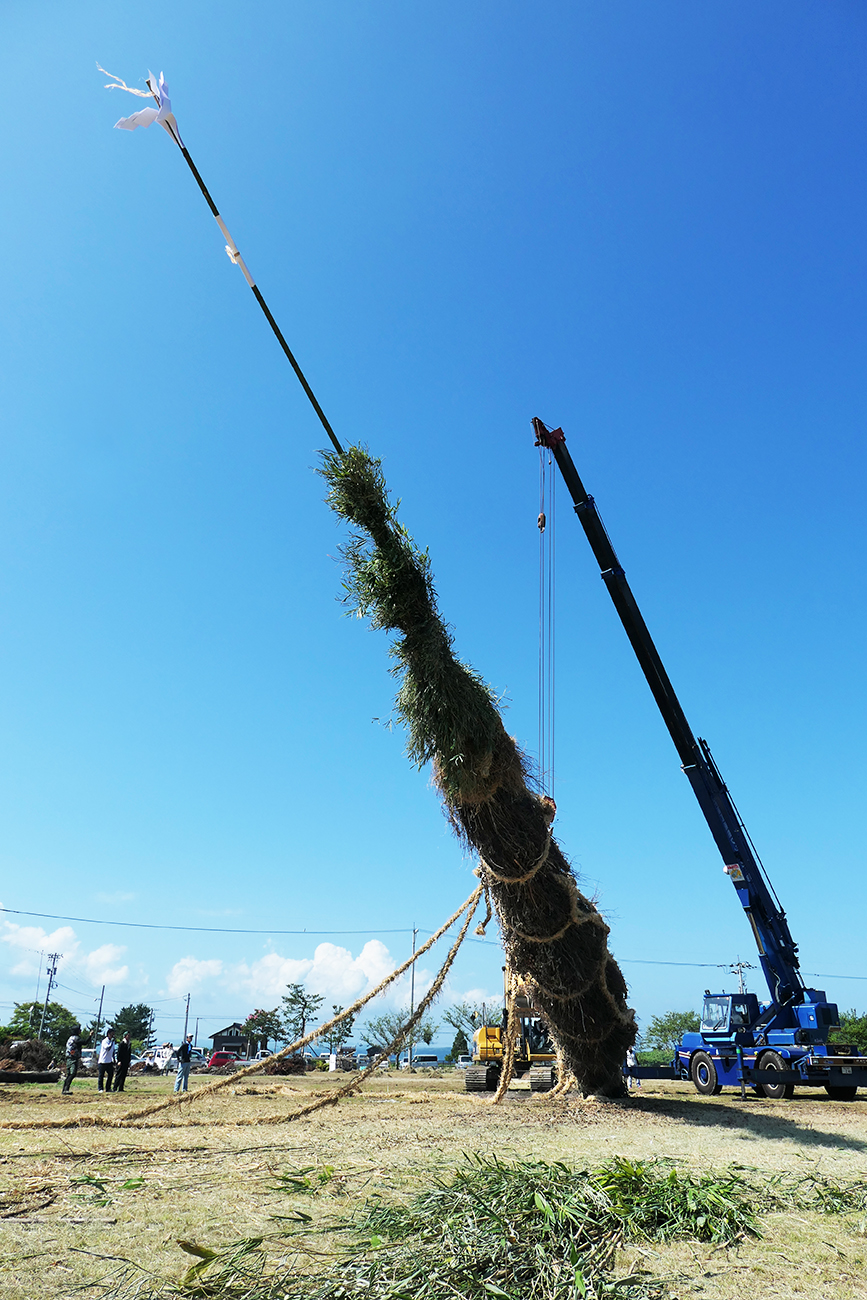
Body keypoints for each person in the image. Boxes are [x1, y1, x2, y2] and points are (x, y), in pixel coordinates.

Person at [61, 1025, 84, 1095]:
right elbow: (85, 1042)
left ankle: (64, 1089)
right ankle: (66, 1089)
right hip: (73, 1058)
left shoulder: (70, 1038)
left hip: (68, 1057)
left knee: (69, 1074)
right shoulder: (76, 1038)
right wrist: (90, 1036)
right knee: (72, 1073)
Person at [97, 1028, 117, 1093]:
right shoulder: (104, 1041)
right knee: (101, 1075)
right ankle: (100, 1088)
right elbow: (107, 1048)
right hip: (103, 1061)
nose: (113, 1036)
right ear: (108, 1034)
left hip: (109, 1061)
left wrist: (114, 1059)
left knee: (111, 1074)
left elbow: (112, 1051)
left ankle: (108, 1088)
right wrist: (111, 1042)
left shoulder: (112, 1042)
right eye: (112, 1034)